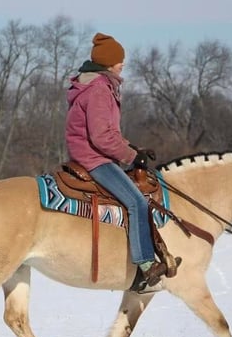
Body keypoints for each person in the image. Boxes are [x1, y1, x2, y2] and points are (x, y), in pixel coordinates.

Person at [65, 32, 169, 292]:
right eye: (120, 59)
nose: (123, 63)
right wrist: (132, 157)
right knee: (136, 201)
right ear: (109, 62)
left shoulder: (98, 85)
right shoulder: (99, 89)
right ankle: (145, 265)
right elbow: (101, 137)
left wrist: (134, 148)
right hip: (94, 158)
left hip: (93, 154)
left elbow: (109, 132)